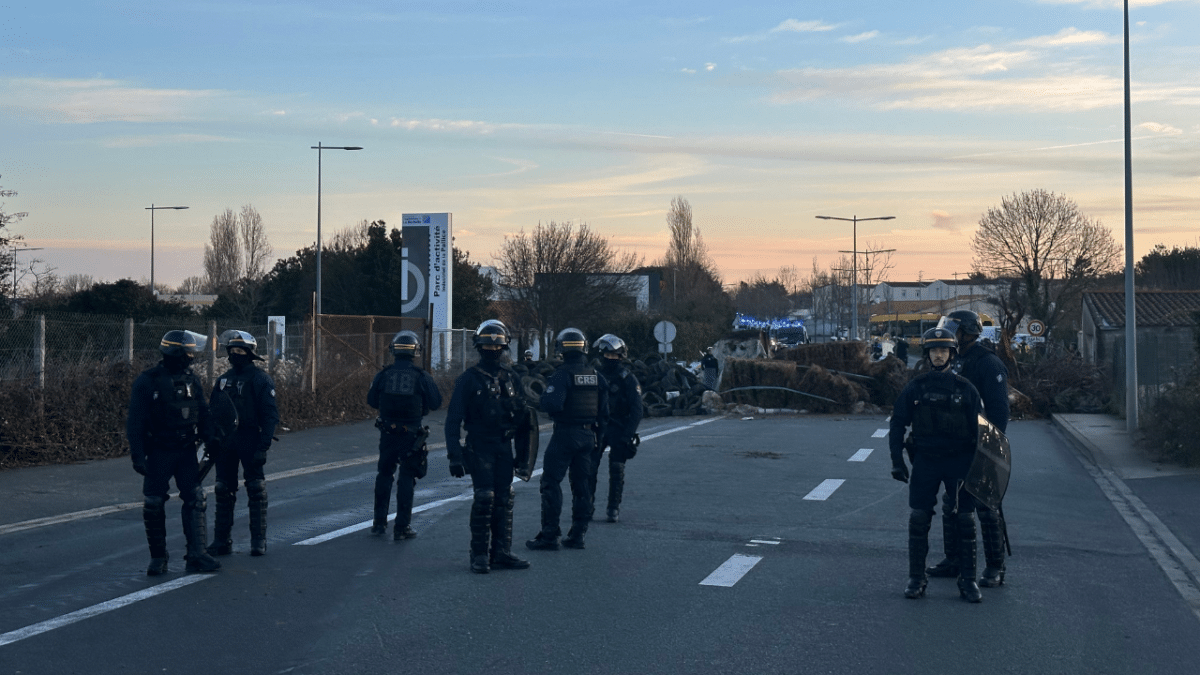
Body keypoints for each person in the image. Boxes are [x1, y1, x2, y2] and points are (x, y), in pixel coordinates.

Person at [889, 327, 985, 603]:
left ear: (952, 354)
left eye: (944, 350)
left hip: (960, 461)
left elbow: (982, 431)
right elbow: (897, 423)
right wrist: (897, 460)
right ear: (927, 355)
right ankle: (916, 578)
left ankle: (967, 581)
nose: (939, 355)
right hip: (926, 461)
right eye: (934, 351)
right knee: (919, 519)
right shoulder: (916, 387)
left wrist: (982, 468)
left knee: (965, 520)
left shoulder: (966, 389)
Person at [926, 310, 1011, 588]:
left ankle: (995, 567)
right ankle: (954, 560)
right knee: (952, 503)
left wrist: (987, 446)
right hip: (955, 444)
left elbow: (999, 412)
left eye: (954, 329)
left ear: (967, 332)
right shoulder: (955, 360)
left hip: (983, 444)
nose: (950, 334)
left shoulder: (988, 363)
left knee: (986, 506)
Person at [127, 330, 220, 576]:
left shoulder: (192, 379)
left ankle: (197, 555)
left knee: (195, 499)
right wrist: (137, 455)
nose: (192, 357)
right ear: (176, 352)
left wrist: (211, 438)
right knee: (153, 503)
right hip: (159, 451)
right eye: (188, 352)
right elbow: (135, 422)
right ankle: (158, 557)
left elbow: (203, 411)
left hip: (187, 449)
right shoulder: (148, 381)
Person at [444, 320, 531, 574]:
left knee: (504, 499)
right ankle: (479, 555)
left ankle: (501, 552)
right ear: (479, 347)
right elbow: (453, 420)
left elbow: (525, 421)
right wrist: (454, 455)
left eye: (497, 345)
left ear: (503, 347)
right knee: (485, 498)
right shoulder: (468, 380)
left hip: (504, 446)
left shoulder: (512, 378)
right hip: (479, 445)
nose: (493, 349)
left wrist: (523, 456)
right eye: (488, 345)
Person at [526, 328, 608, 551]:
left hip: (565, 434)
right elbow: (604, 412)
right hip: (589, 435)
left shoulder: (562, 375)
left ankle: (550, 535)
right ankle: (578, 534)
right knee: (582, 485)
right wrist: (598, 439)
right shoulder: (595, 376)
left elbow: (552, 404)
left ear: (561, 349)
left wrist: (542, 400)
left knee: (551, 483)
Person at [206, 331, 279, 557]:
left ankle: (258, 541)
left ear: (249, 353)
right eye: (232, 351)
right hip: (227, 441)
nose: (235, 354)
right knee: (222, 490)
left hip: (250, 439)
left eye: (240, 351)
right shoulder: (223, 380)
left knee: (256, 489)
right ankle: (221, 540)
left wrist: (263, 446)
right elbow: (213, 411)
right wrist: (211, 441)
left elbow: (270, 415)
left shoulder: (260, 379)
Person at [367, 330, 443, 540]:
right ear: (415, 351)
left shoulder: (383, 374)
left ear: (393, 350)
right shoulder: (421, 376)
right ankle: (402, 527)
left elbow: (372, 401)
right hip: (411, 434)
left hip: (387, 433)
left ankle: (378, 523)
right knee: (407, 478)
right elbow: (437, 402)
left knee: (384, 474)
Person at [591, 334, 643, 523]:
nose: (611, 359)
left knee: (616, 469)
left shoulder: (628, 379)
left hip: (619, 428)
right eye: (608, 355)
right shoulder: (594, 376)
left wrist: (628, 435)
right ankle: (587, 507)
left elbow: (637, 410)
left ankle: (613, 508)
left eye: (615, 356)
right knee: (589, 469)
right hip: (597, 428)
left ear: (621, 357)